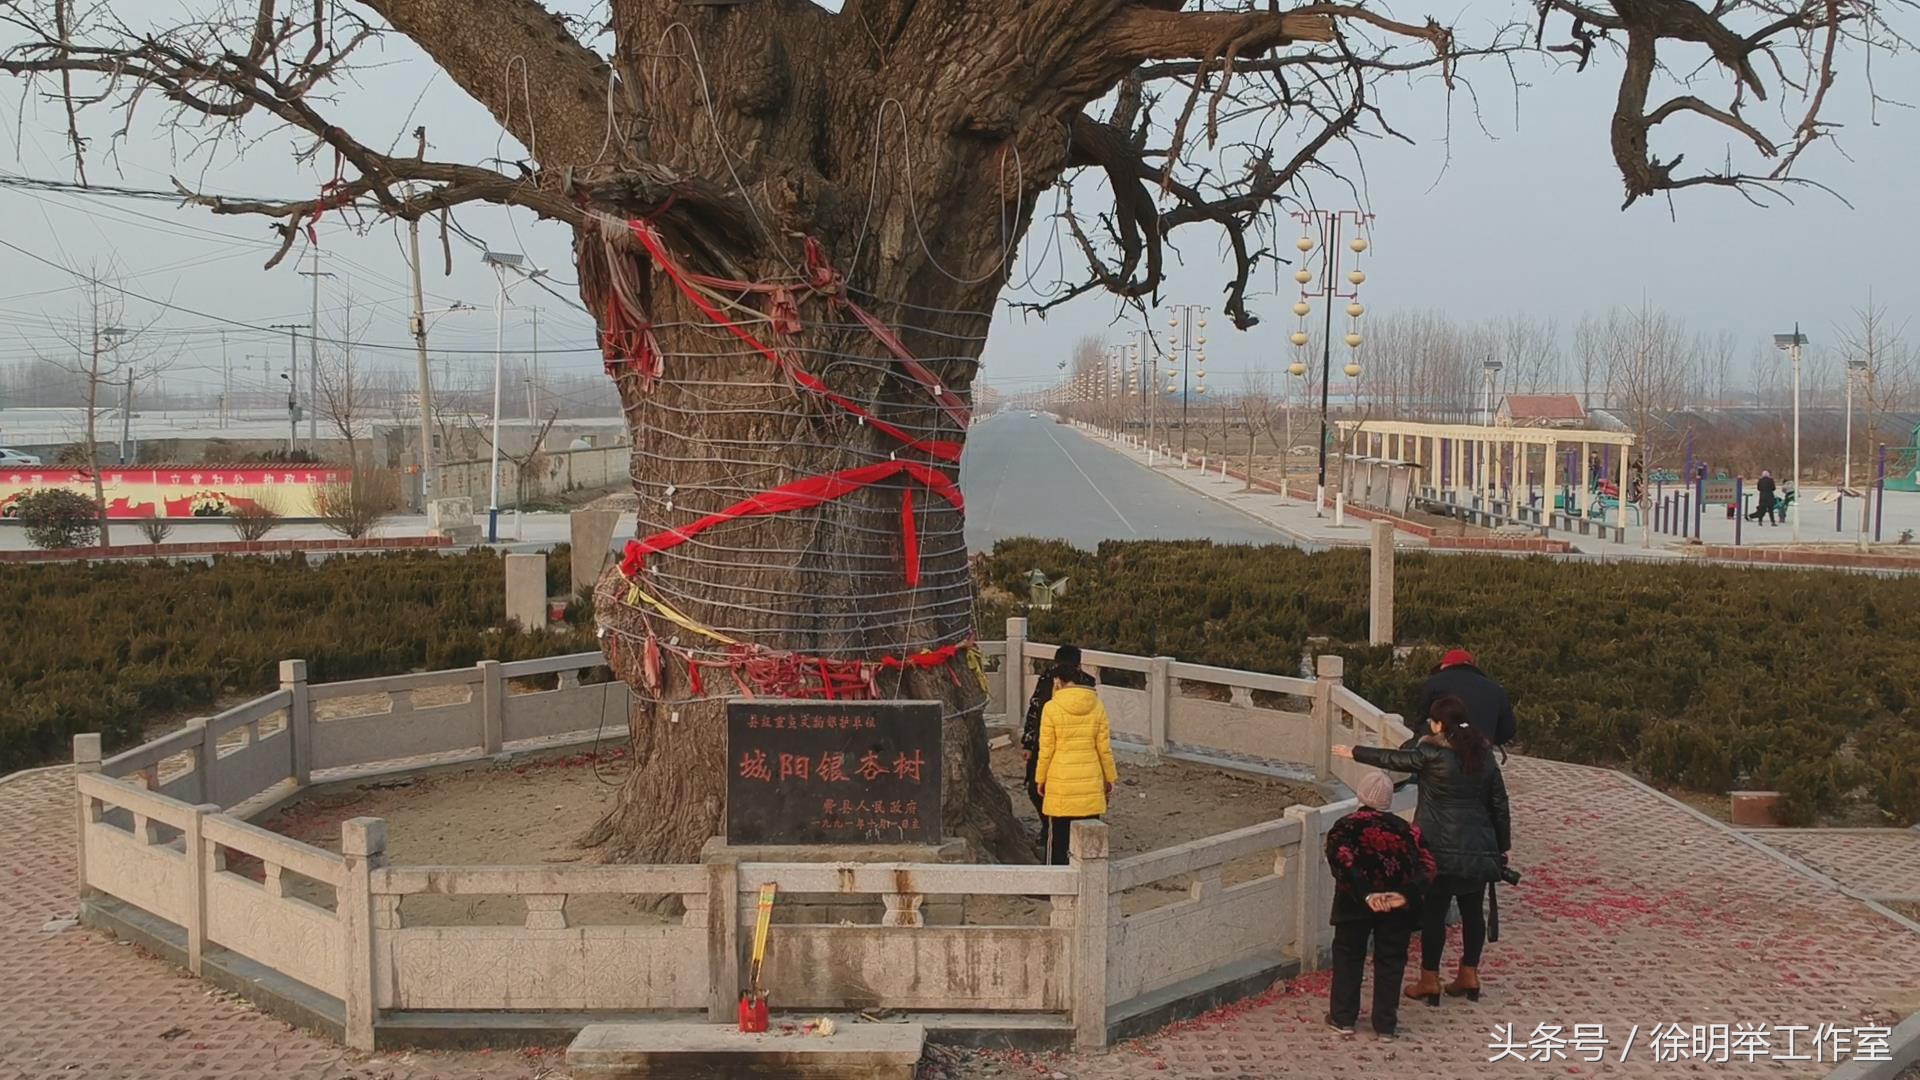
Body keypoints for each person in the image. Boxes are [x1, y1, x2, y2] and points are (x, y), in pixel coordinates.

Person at [1333, 695, 1511, 1006]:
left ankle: (1429, 978)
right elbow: (1499, 805)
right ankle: (1469, 973)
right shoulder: (1484, 755)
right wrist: (1501, 847)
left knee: (1434, 914)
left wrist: (1354, 752)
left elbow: (1394, 760)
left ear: (1440, 724)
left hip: (1437, 848)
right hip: (1478, 849)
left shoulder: (1431, 753)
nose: (1430, 724)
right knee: (1473, 912)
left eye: (1433, 720)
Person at [1323, 770, 1436, 1039]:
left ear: (1360, 795)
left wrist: (1366, 895)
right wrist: (1403, 894)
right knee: (1390, 961)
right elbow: (1428, 866)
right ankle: (1385, 1024)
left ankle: (1343, 1017)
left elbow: (1342, 861)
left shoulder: (1345, 826)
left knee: (1349, 957)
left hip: (1354, 905)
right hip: (1397, 909)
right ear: (1389, 800)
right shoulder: (1407, 830)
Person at [1034, 666, 1118, 866]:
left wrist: (1040, 778)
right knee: (1089, 841)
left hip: (1060, 781)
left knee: (1058, 841)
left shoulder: (1051, 707)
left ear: (1059, 682)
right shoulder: (1097, 706)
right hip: (1090, 780)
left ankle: (1055, 887)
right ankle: (1088, 885)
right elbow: (1104, 749)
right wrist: (1110, 778)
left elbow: (1046, 750)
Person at [1022, 645, 1082, 852]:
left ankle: (1067, 834)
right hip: (1043, 742)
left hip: (1074, 746)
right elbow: (1034, 709)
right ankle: (1047, 825)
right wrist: (1028, 743)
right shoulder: (1046, 679)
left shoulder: (1086, 684)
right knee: (1035, 788)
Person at [1414, 649, 1515, 749]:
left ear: (1445, 666)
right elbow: (1507, 730)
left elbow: (1421, 720)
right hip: (1481, 752)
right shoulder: (1496, 689)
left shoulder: (1433, 684)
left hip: (1444, 751)